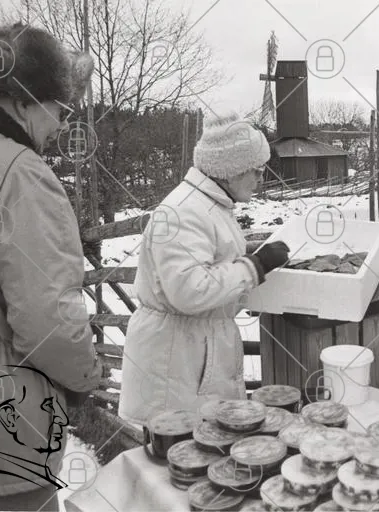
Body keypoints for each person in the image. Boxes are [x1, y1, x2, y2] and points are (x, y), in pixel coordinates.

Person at [0, 23, 103, 511]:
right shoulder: (20, 175)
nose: (60, 126)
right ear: (25, 101)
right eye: (60, 109)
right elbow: (48, 320)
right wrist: (82, 378)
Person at [118, 120, 290, 427]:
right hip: (176, 365)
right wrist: (253, 266)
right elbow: (189, 289)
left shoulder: (209, 204)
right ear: (231, 170)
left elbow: (209, 257)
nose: (261, 177)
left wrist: (249, 257)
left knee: (201, 447)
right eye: (256, 169)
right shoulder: (184, 211)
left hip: (191, 354)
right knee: (178, 451)